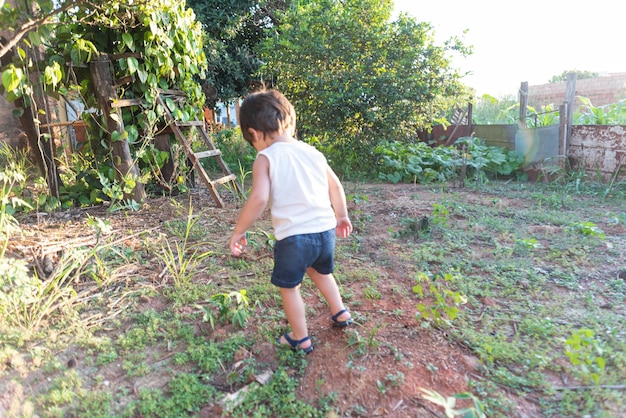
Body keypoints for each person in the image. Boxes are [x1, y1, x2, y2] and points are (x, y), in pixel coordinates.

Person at [229, 89, 353, 354]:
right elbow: (336, 186)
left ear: (253, 133)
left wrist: (239, 230)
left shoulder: (266, 158)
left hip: (294, 238)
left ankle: (300, 336)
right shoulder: (313, 152)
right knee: (322, 273)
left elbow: (260, 198)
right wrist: (341, 215)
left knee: (290, 288)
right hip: (325, 231)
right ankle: (340, 312)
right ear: (289, 121)